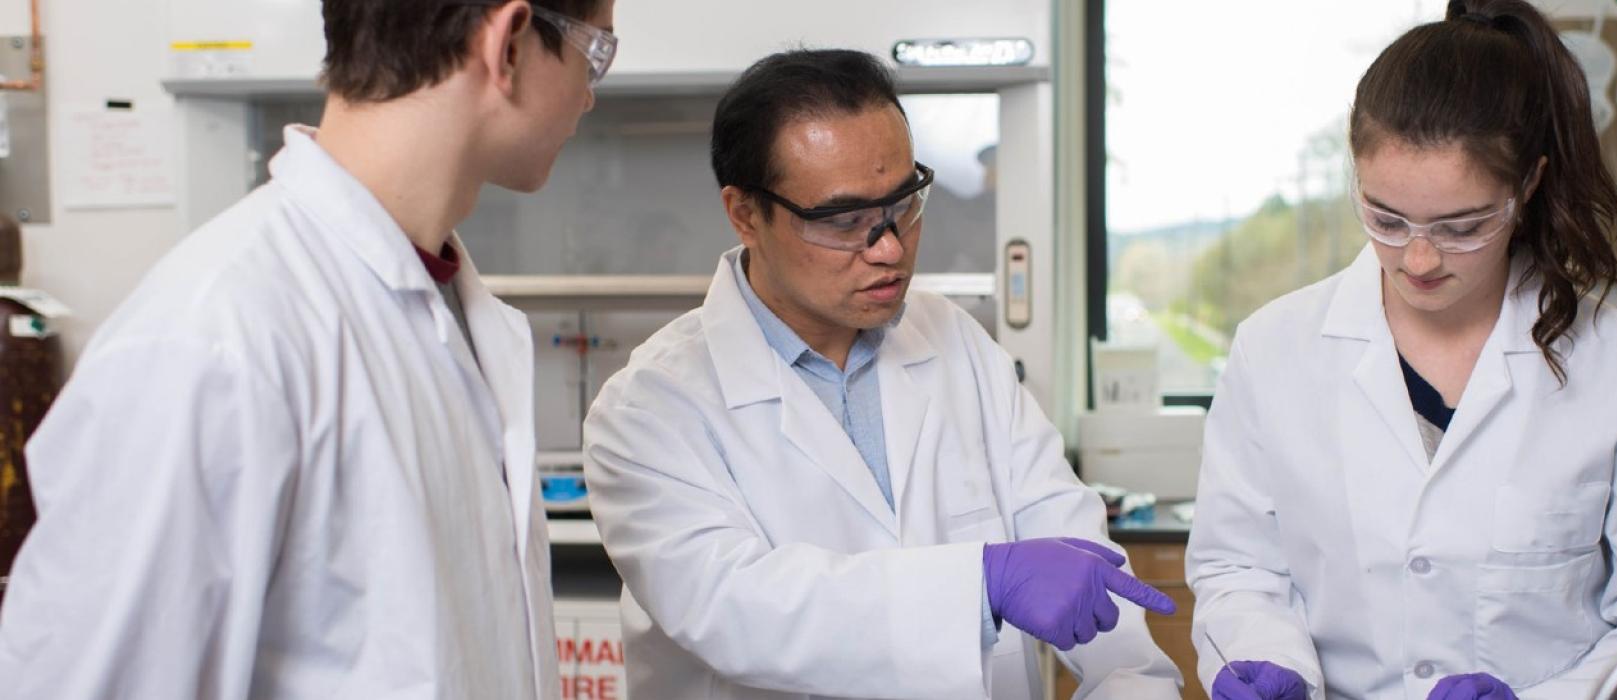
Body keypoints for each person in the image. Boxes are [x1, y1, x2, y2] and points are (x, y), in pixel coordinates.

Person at [0, 1, 615, 697]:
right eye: (594, 54)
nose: (590, 93)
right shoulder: (213, 341)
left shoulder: (442, 303)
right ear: (506, 44)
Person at [583, 49, 1182, 699]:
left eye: (904, 203)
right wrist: (980, 584)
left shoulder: (957, 343)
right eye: (844, 221)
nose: (890, 246)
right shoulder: (649, 408)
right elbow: (740, 611)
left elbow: (1068, 543)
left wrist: (1131, 681)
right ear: (745, 213)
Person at [1186, 1, 1617, 699]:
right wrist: (1264, 659)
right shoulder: (1275, 350)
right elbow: (1239, 568)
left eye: (1462, 225)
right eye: (1385, 218)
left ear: (1528, 186)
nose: (1417, 259)